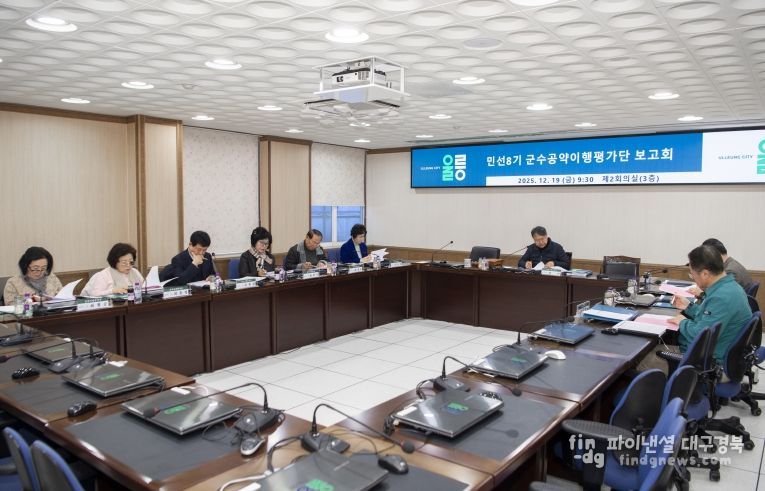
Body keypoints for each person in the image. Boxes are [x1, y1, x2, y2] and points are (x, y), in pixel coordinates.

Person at [669, 245, 752, 363]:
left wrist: (682, 322)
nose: (693, 278)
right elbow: (710, 317)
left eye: (692, 274)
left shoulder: (721, 297)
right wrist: (688, 306)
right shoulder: (729, 287)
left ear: (705, 274)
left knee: (647, 358)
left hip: (707, 361)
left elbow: (700, 335)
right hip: (715, 353)